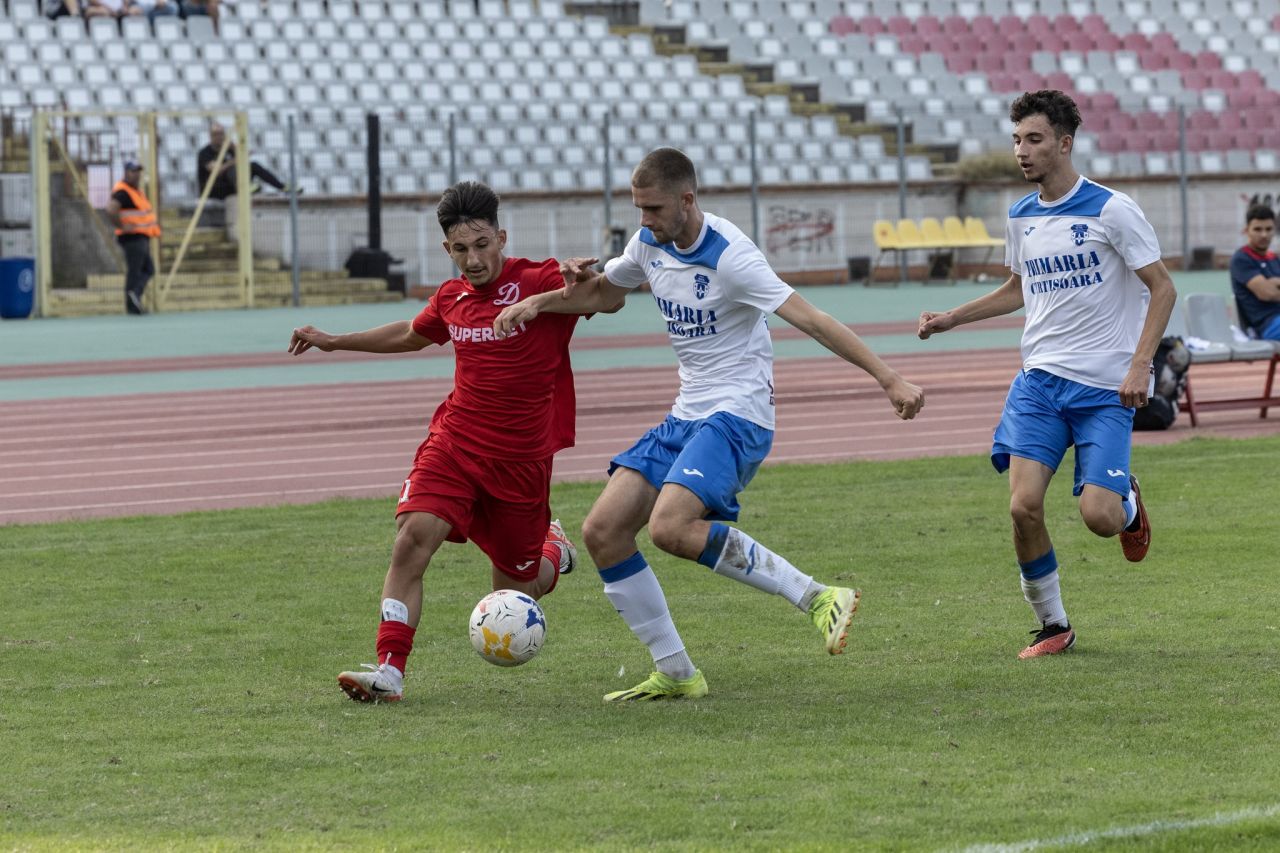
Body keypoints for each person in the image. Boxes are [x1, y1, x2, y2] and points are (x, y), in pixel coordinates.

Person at [494, 147, 925, 701]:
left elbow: (812, 320)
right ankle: (675, 671)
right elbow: (606, 293)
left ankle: (818, 596)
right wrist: (543, 301)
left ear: (687, 200)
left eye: (652, 208)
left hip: (739, 412)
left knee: (670, 528)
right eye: (638, 208)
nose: (643, 220)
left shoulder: (731, 257)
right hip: (688, 412)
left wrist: (889, 379)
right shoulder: (648, 242)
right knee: (603, 531)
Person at [288, 181, 584, 704]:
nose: (473, 259)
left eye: (482, 245)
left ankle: (552, 551)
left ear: (502, 238)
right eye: (460, 249)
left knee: (514, 591)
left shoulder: (539, 279)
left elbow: (609, 299)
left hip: (520, 461)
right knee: (411, 539)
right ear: (447, 249)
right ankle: (389, 670)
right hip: (456, 443)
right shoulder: (451, 297)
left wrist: (572, 286)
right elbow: (410, 333)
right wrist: (335, 339)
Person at [917, 90, 1177, 660]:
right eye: (1015, 140)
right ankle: (1052, 624)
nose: (1021, 151)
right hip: (1039, 383)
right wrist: (951, 318)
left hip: (1105, 389)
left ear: (1064, 143)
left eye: (1033, 139)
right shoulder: (1022, 215)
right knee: (1021, 506)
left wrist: (1140, 365)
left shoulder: (1111, 209)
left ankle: (1126, 502)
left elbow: (1163, 287)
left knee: (1099, 519)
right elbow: (1017, 290)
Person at [105, 159, 160, 315]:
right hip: (133, 238)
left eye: (138, 171)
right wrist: (121, 226)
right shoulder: (123, 191)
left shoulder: (135, 191)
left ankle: (134, 296)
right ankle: (132, 300)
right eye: (133, 171)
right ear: (126, 172)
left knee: (148, 269)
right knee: (136, 271)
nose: (136, 175)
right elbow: (111, 209)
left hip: (141, 237)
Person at [196, 123, 293, 201]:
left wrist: (234, 147)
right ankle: (246, 187)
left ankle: (282, 186)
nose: (219, 137)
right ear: (210, 136)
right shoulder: (204, 153)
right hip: (214, 190)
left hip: (230, 186)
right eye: (216, 134)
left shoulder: (228, 149)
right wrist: (237, 159)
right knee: (232, 168)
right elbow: (217, 171)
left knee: (253, 165)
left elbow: (242, 159)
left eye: (221, 133)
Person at [1229, 204, 1280, 341]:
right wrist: (1271, 285)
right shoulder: (1241, 259)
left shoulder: (1275, 259)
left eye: (1268, 229)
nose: (1264, 234)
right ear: (1246, 231)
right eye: (1258, 229)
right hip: (1265, 326)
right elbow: (1267, 293)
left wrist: (1274, 283)